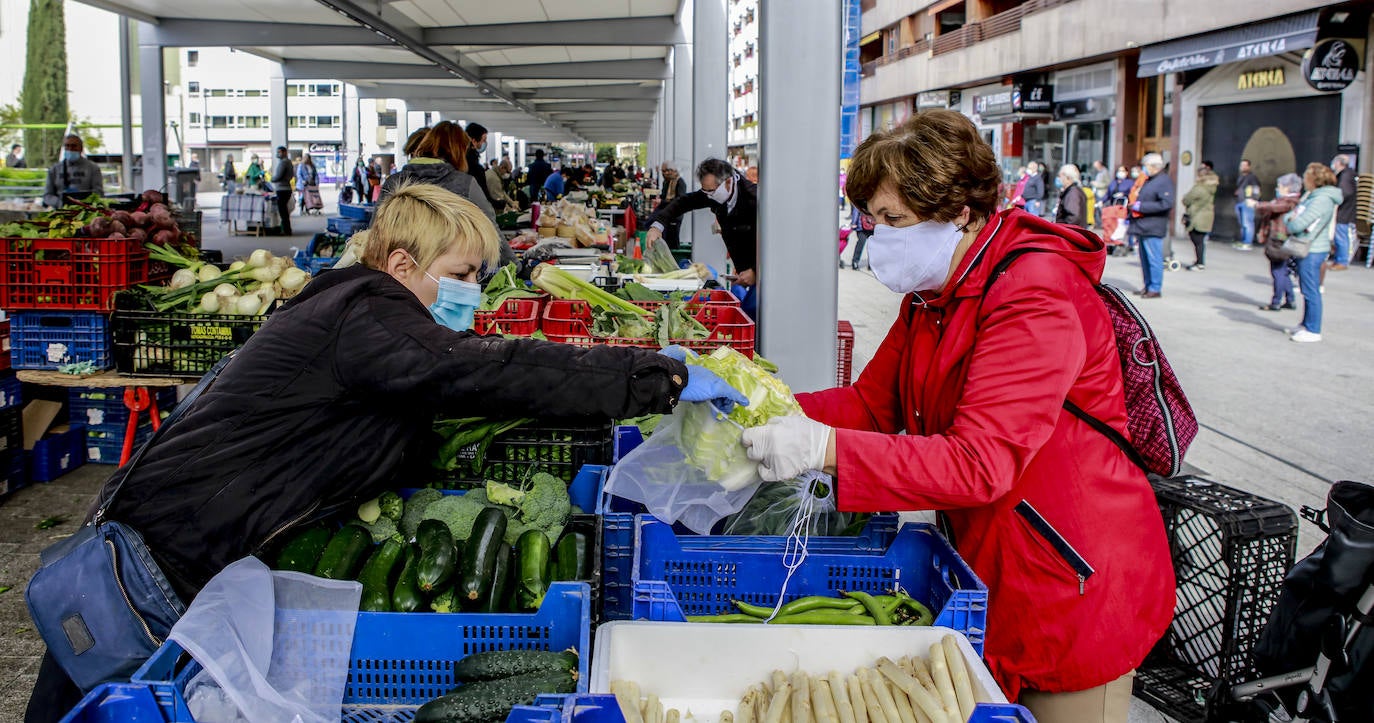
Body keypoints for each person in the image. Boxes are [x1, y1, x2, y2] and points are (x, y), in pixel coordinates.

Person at [23, 182, 746, 722]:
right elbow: (485, 369)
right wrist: (657, 375)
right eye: (461, 273)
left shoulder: (357, 309)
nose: (473, 291)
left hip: (184, 544)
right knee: (97, 700)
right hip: (159, 558)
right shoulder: (370, 317)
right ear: (402, 262)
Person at [736, 109, 1173, 723]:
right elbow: (870, 405)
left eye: (894, 220)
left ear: (959, 211)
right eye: (872, 219)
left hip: (1071, 576)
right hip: (990, 552)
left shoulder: (1033, 291)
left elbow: (980, 461)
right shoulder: (936, 294)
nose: (878, 236)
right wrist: (763, 412)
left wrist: (822, 448)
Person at [381, 121, 512, 266]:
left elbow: (375, 233)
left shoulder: (393, 182)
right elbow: (490, 228)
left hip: (400, 270)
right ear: (460, 150)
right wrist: (515, 266)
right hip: (448, 277)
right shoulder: (464, 183)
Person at [644, 158, 760, 316]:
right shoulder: (714, 193)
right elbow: (683, 202)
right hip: (743, 271)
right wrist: (657, 226)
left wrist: (756, 271)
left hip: (765, 271)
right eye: (705, 191)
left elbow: (777, 242)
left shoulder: (755, 199)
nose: (708, 196)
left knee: (752, 315)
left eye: (711, 191)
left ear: (727, 182)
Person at [1283, 163, 1342, 343]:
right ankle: (1306, 324)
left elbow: (1297, 223)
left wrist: (1291, 223)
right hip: (1311, 247)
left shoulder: (1321, 200)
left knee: (1310, 290)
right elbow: (1291, 216)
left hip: (1312, 248)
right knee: (1307, 288)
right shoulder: (1314, 196)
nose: (1304, 181)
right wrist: (1291, 220)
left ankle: (1313, 329)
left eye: (1306, 177)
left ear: (1315, 180)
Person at [1127, 153, 1173, 298]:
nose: (1143, 170)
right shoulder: (1149, 180)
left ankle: (1155, 287)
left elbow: (1166, 203)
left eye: (1145, 166)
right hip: (1142, 225)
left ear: (1154, 167)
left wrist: (1141, 207)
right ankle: (1147, 285)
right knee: (1145, 259)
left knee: (1154, 259)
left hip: (1153, 226)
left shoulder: (1163, 181)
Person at [1256, 173, 1302, 312]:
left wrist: (1257, 205)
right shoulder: (1286, 200)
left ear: (1288, 187)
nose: (1278, 188)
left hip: (1279, 238)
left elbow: (1273, 208)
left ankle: (1276, 301)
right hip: (1280, 237)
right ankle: (1290, 299)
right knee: (1283, 270)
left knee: (1278, 270)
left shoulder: (1289, 201)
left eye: (1280, 186)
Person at [42, 135, 103, 207]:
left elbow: (98, 193)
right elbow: (47, 195)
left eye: (74, 146)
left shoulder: (93, 168)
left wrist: (84, 203)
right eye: (67, 146)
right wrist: (60, 203)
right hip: (60, 211)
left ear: (81, 148)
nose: (70, 149)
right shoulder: (54, 169)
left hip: (85, 209)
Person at [1180, 164, 1218, 270]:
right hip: (1206, 216)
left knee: (1197, 240)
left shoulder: (1200, 188)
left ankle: (1200, 263)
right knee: (1200, 240)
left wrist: (1185, 199)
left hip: (1197, 217)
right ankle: (1199, 261)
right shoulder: (1211, 187)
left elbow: (1187, 199)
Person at [1330, 154, 1357, 270]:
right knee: (1341, 235)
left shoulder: (1345, 175)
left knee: (1341, 235)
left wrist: (1336, 200)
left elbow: (1344, 192)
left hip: (1343, 211)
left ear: (1338, 163)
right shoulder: (1349, 174)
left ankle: (1342, 261)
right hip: (1347, 210)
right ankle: (1339, 259)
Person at [463, 122, 497, 206]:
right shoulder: (475, 166)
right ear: (474, 141)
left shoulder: (460, 160)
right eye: (484, 140)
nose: (485, 143)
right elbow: (483, 196)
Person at [1234, 158, 1262, 249]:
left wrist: (1253, 200)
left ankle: (1248, 242)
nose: (1242, 167)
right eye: (1241, 165)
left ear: (1249, 167)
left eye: (1244, 165)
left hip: (1247, 203)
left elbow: (1256, 190)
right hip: (1240, 201)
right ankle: (1243, 241)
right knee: (1242, 224)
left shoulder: (1252, 177)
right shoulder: (1241, 177)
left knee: (1247, 223)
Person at [657, 161, 687, 248]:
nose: (665, 173)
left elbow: (679, 201)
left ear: (674, 171)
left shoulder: (680, 182)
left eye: (667, 171)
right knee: (667, 239)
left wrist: (662, 202)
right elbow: (663, 196)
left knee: (673, 239)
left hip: (675, 215)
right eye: (663, 171)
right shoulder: (667, 182)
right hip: (668, 213)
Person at [270, 146, 294, 235]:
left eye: (279, 152)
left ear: (284, 152)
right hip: (287, 188)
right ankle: (287, 229)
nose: (277, 154)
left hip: (282, 189)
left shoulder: (283, 163)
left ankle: (286, 230)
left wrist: (272, 179)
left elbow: (278, 176)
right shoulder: (289, 162)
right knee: (284, 211)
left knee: (283, 211)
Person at [846, 203, 874, 269]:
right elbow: (856, 211)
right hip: (862, 226)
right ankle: (855, 262)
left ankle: (869, 263)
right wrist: (854, 223)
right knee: (862, 244)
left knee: (869, 245)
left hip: (872, 226)